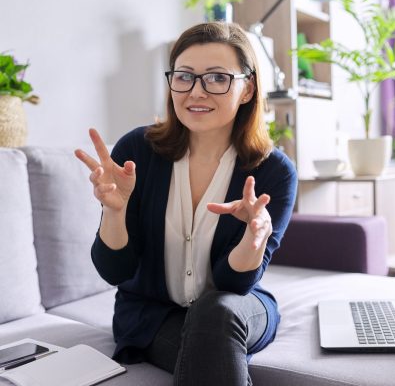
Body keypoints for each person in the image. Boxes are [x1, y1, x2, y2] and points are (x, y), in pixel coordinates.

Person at [75, 21, 297, 386]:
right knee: (210, 351)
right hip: (153, 315)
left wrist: (252, 241)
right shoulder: (137, 152)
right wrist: (115, 212)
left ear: (247, 89)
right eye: (184, 76)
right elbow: (114, 271)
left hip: (239, 307)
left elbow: (232, 284)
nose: (196, 91)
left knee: (216, 311)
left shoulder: (274, 172)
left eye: (217, 78)